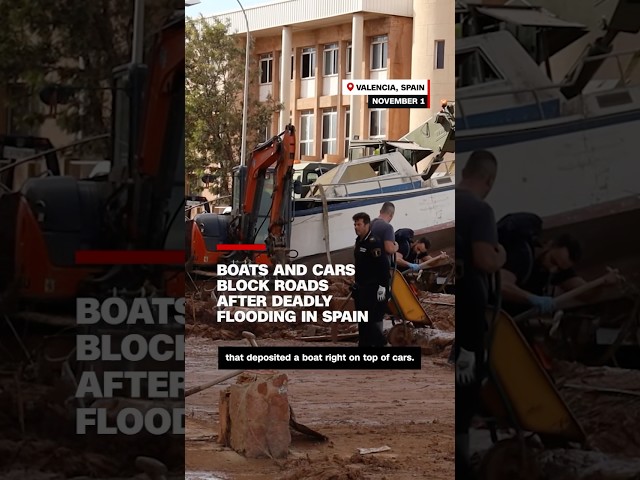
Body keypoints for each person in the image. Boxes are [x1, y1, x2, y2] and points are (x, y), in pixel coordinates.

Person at [455, 150, 506, 479]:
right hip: (470, 318)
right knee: (465, 387)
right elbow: (485, 260)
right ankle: (460, 464)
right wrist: (501, 255)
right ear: (488, 181)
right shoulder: (480, 209)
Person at [500, 232, 585, 317]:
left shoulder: (557, 266)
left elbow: (585, 290)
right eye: (553, 261)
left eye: (559, 269)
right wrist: (531, 298)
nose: (552, 270)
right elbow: (502, 286)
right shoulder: (522, 254)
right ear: (549, 245)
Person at [351, 212, 390, 348]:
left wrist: (383, 287)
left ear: (367, 225)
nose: (356, 227)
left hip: (373, 287)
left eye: (359, 224)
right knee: (361, 319)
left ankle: (381, 343)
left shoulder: (374, 242)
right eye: (355, 224)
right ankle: (364, 344)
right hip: (361, 286)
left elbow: (383, 267)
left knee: (369, 319)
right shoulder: (359, 241)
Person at [370, 201, 399, 269]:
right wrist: (396, 247)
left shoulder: (369, 225)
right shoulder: (387, 227)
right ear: (391, 215)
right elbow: (389, 249)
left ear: (380, 211)